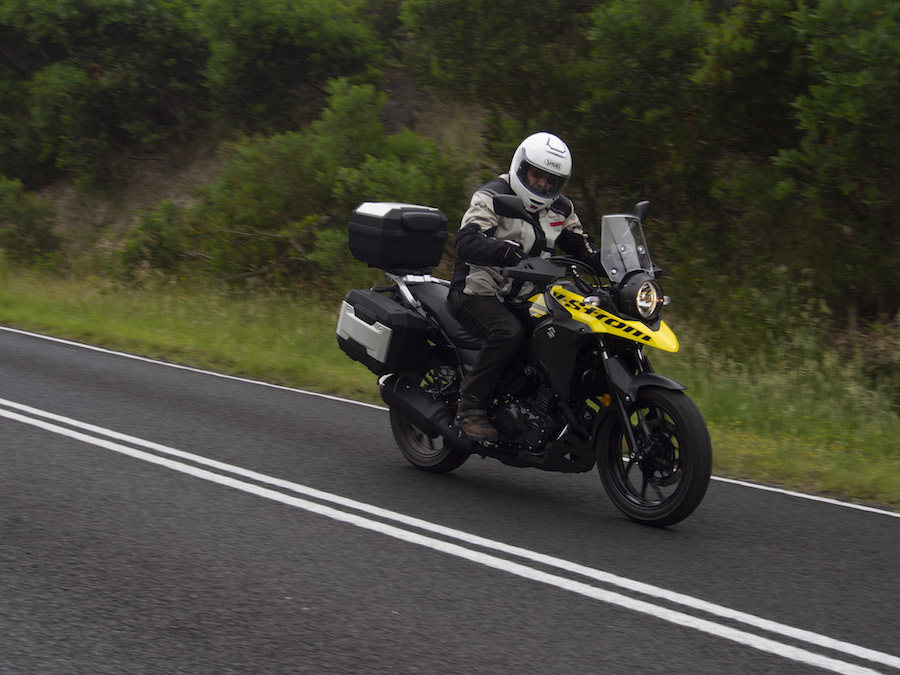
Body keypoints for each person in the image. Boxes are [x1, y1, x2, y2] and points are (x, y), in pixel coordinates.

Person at [450, 132, 602, 442]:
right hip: (478, 290)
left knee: (561, 331)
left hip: (524, 295)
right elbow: (466, 241)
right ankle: (469, 407)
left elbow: (580, 245)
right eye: (537, 175)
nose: (543, 185)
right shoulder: (493, 196)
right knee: (509, 332)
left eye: (551, 180)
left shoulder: (560, 208)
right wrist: (504, 252)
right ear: (521, 168)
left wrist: (618, 265)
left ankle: (540, 407)